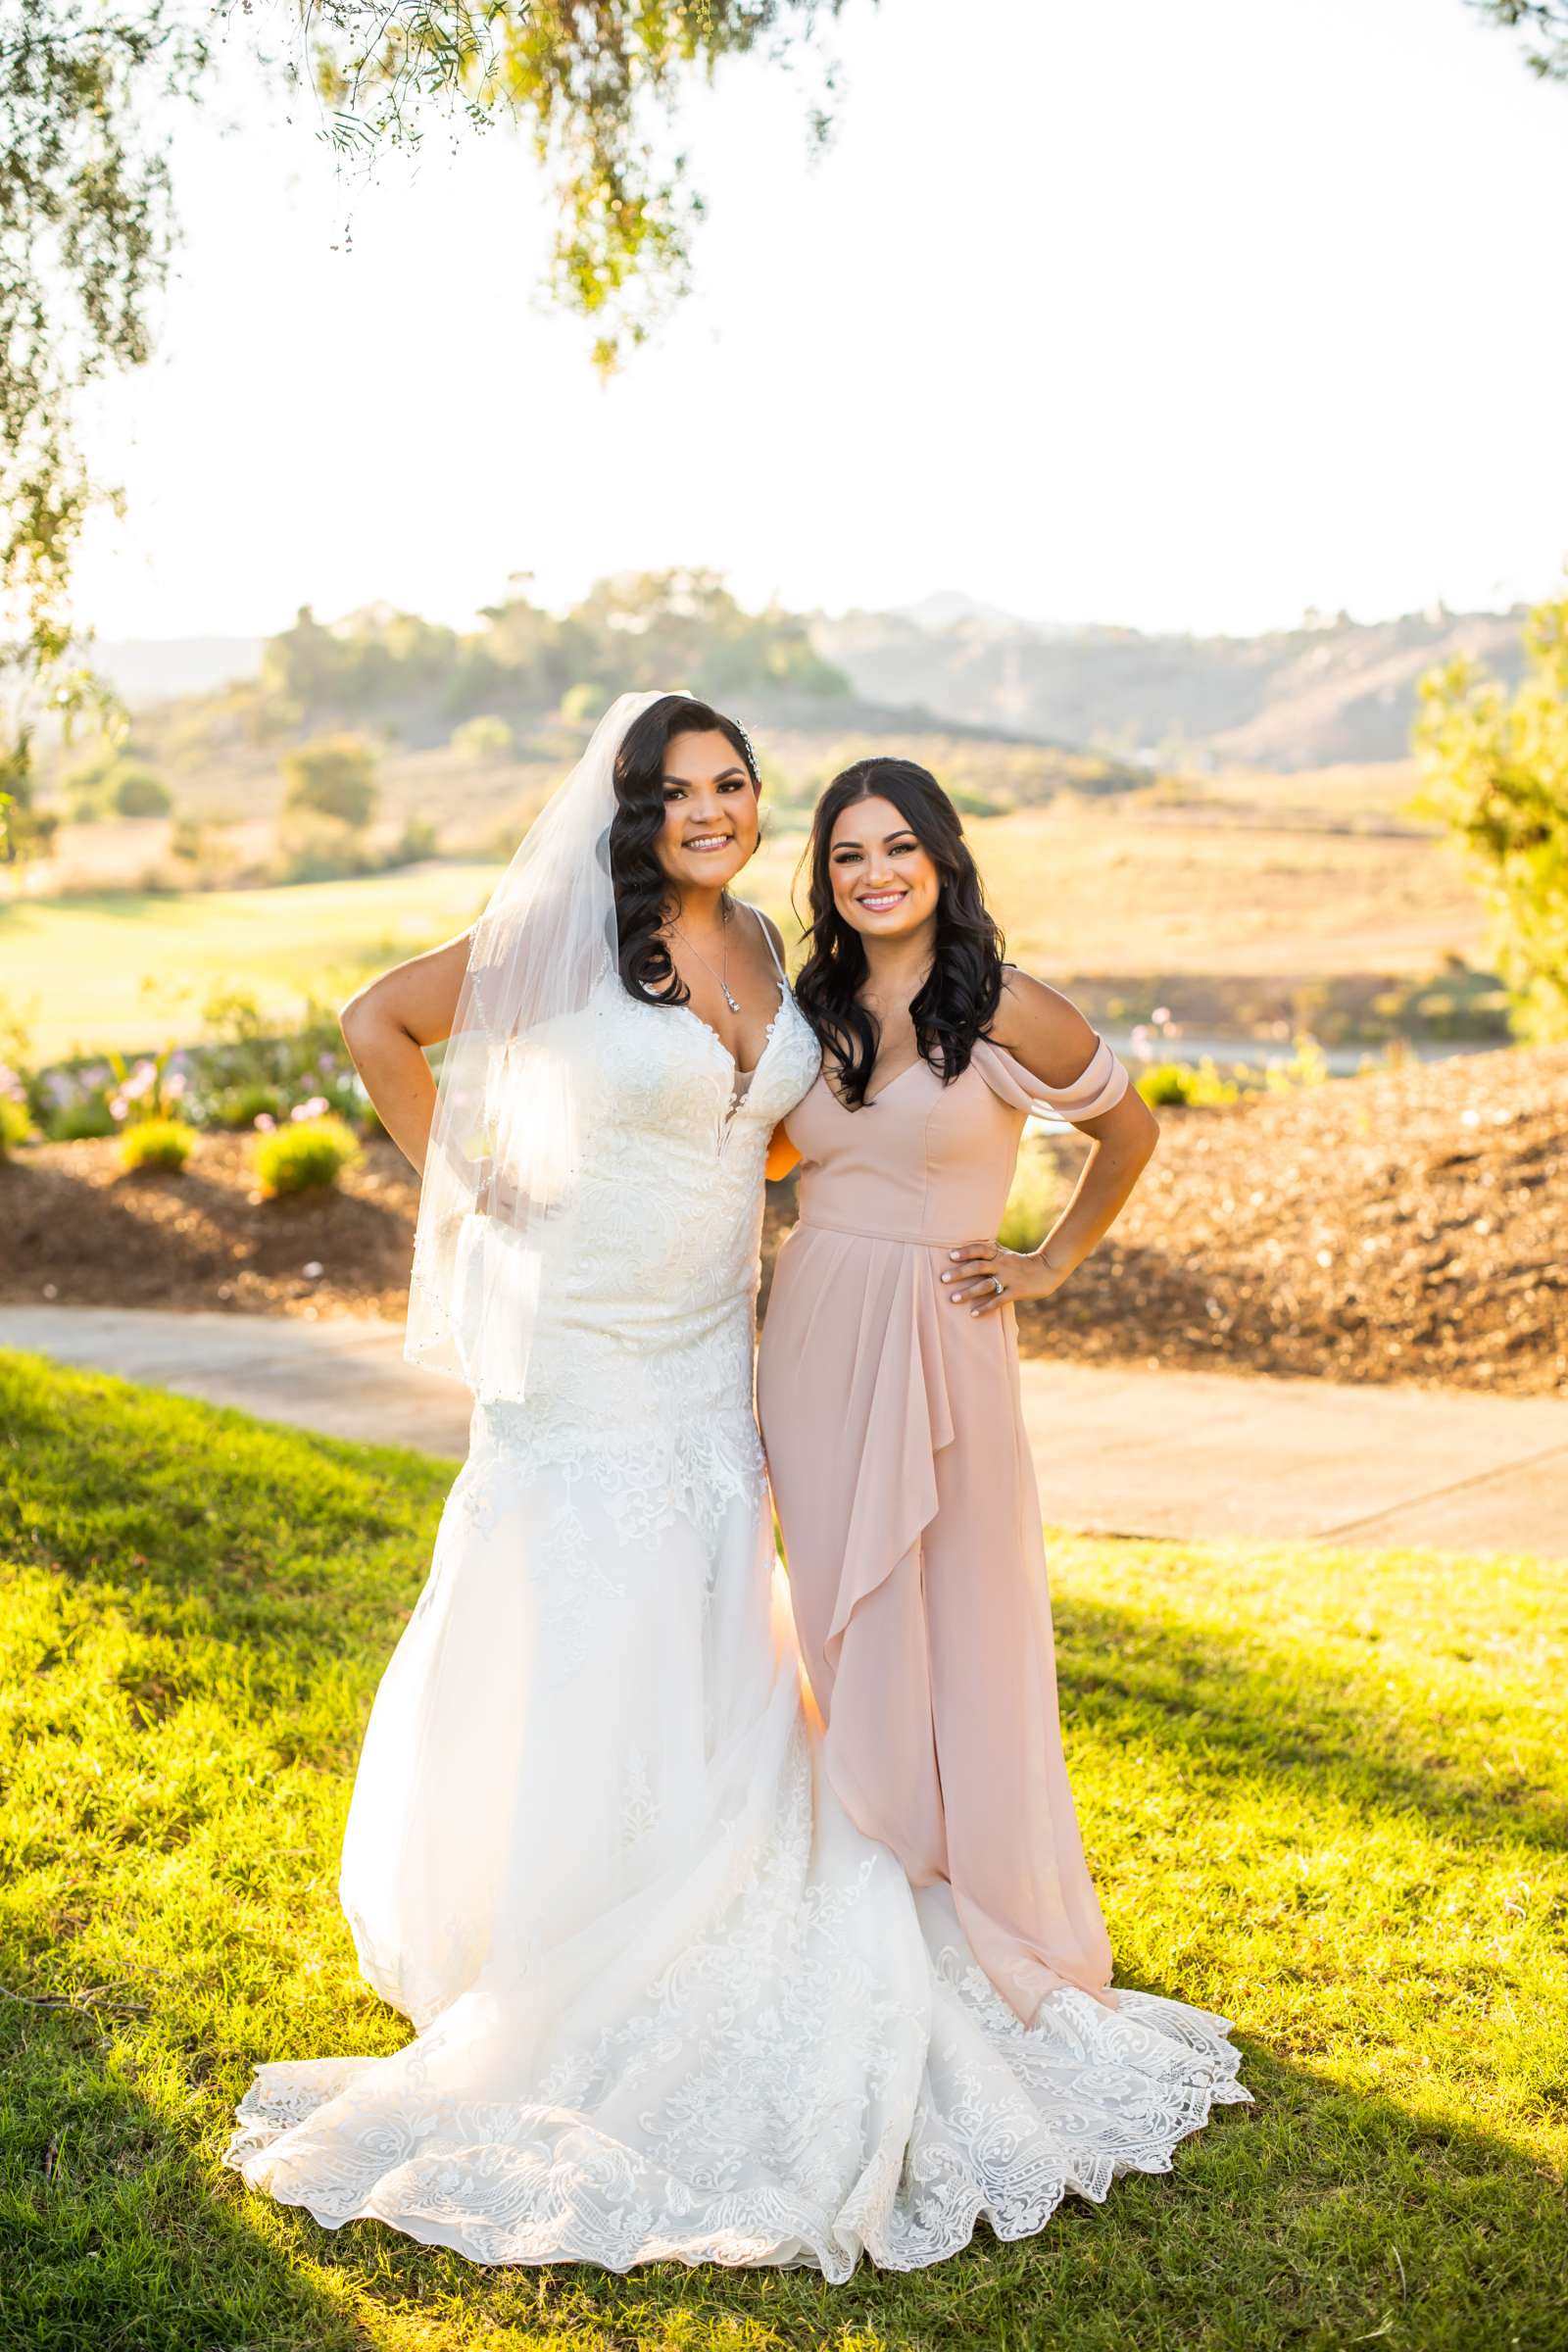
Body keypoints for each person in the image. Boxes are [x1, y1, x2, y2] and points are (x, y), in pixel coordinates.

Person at [224, 706, 1246, 2276]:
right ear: (630, 810)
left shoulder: (774, 948)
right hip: (582, 1337)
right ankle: (565, 1914)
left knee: (708, 1603)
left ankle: (715, 1865)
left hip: (715, 1343)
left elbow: (783, 1139)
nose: (711, 811)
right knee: (582, 1600)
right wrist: (486, 1187)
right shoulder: (563, 934)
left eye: (731, 786)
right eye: (678, 791)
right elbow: (380, 1024)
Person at [759, 756, 1175, 2027]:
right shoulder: (807, 1007)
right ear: (824, 878)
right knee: (833, 1605)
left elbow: (1132, 1131)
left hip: (946, 1340)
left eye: (898, 849)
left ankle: (962, 1891)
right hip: (814, 1335)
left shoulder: (1004, 1004)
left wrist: (1049, 1259)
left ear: (942, 858)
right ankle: (862, 1873)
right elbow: (764, 1152)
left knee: (963, 1616)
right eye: (847, 855)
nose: (875, 875)